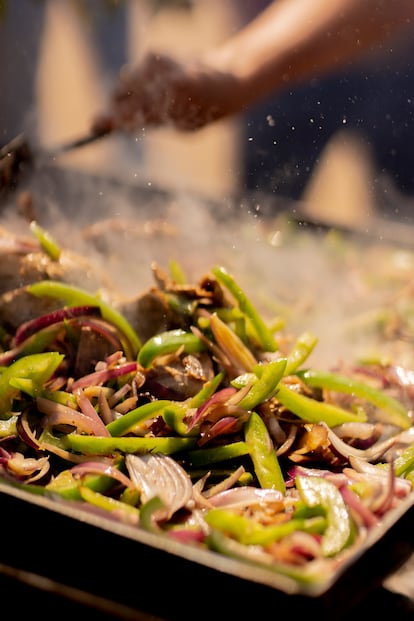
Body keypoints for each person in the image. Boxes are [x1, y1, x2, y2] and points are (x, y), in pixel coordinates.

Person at [92, 0, 414, 205]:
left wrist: (232, 68)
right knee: (256, 226)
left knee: (397, 229)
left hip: (393, 74)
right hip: (270, 73)